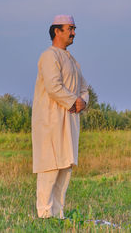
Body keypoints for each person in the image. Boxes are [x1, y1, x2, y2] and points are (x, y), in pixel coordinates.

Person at [32, 15, 89, 219]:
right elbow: (54, 87)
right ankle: (44, 215)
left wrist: (83, 101)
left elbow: (84, 87)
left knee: (65, 166)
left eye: (74, 28)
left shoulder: (72, 59)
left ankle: (58, 215)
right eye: (70, 28)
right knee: (50, 166)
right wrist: (75, 101)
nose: (73, 32)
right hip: (50, 120)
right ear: (57, 31)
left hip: (70, 120)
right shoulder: (49, 56)